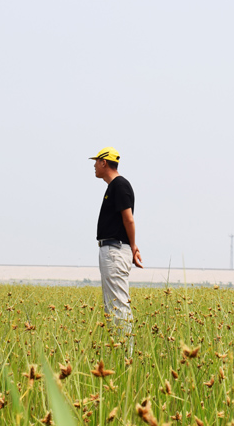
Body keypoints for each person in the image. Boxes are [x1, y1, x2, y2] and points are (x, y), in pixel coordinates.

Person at [89, 146, 143, 340]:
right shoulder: (114, 186)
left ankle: (126, 351)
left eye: (96, 161)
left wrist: (133, 246)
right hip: (112, 249)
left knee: (118, 304)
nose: (94, 166)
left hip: (115, 249)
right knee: (111, 305)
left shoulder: (119, 185)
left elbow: (129, 219)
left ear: (104, 162)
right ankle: (117, 348)